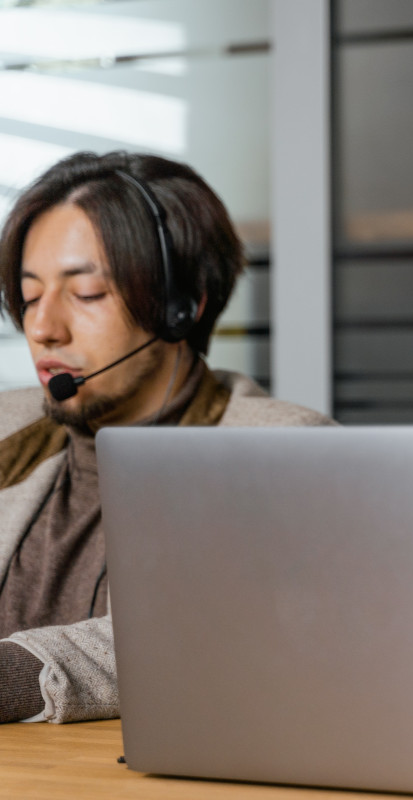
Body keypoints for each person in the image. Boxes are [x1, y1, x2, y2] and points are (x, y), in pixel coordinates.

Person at [0, 152, 332, 724]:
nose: (43, 328)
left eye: (86, 295)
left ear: (182, 308)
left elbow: (205, 634)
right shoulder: (9, 432)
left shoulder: (287, 452)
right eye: (30, 297)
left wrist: (14, 675)